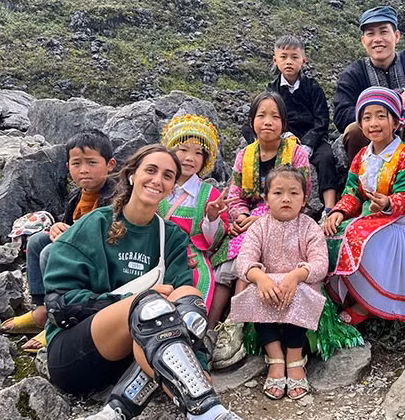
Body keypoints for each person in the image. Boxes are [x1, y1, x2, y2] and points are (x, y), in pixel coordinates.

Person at [43, 144, 237, 420]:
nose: (158, 180)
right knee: (150, 307)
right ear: (132, 175)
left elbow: (186, 312)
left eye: (168, 176)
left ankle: (126, 410)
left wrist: (199, 366)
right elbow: (58, 305)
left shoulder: (170, 236)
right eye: (151, 170)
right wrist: (130, 302)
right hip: (77, 352)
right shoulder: (93, 225)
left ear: (172, 187)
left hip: (137, 355)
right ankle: (206, 409)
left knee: (186, 294)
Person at [323, 87, 405, 324]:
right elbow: (352, 192)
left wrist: (389, 202)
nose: (374, 123)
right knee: (335, 231)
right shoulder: (362, 156)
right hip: (370, 217)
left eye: (381, 116)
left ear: (395, 121)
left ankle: (367, 305)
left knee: (357, 235)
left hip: (399, 220)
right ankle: (355, 294)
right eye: (367, 117)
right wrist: (339, 212)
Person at [210, 92, 311, 369]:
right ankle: (210, 327)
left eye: (275, 116)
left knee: (244, 251)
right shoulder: (246, 154)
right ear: (252, 121)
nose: (268, 122)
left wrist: (261, 217)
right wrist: (241, 214)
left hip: (283, 217)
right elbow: (236, 192)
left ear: (284, 122)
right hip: (249, 218)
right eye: (261, 116)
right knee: (224, 260)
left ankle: (237, 323)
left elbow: (303, 195)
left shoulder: (297, 153)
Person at [0, 129, 116, 352]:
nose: (84, 170)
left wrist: (69, 237)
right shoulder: (76, 196)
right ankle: (43, 307)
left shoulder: (113, 196)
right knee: (37, 242)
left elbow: (107, 235)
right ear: (67, 167)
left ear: (110, 165)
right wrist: (57, 228)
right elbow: (68, 225)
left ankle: (59, 317)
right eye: (76, 164)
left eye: (92, 163)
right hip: (77, 247)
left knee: (50, 252)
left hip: (99, 256)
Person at [227, 165, 328, 401]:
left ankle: (294, 358)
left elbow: (321, 264)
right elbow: (244, 262)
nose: (286, 199)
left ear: (304, 199)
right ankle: (275, 358)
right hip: (267, 289)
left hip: (300, 288)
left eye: (294, 193)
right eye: (278, 193)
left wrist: (296, 276)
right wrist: (260, 278)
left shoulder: (310, 227)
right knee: (255, 292)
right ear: (266, 199)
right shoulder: (259, 227)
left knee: (299, 293)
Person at [333, 6, 405, 170]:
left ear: (397, 36)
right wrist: (395, 101)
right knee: (353, 130)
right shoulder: (353, 74)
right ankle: (368, 180)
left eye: (383, 32)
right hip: (372, 144)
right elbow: (341, 116)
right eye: (371, 33)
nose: (377, 39)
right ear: (363, 41)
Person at [242, 35, 340, 218]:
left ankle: (329, 207)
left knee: (326, 157)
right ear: (275, 60)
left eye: (294, 57)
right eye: (283, 57)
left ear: (303, 60)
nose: (289, 62)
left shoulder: (313, 88)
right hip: (282, 137)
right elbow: (260, 118)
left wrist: (308, 145)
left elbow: (322, 120)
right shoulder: (271, 90)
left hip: (311, 136)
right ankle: (260, 203)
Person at [159, 114, 232, 308]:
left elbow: (212, 243)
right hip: (156, 251)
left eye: (199, 153)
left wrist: (212, 218)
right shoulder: (158, 185)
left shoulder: (209, 194)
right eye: (183, 149)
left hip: (191, 256)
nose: (190, 158)